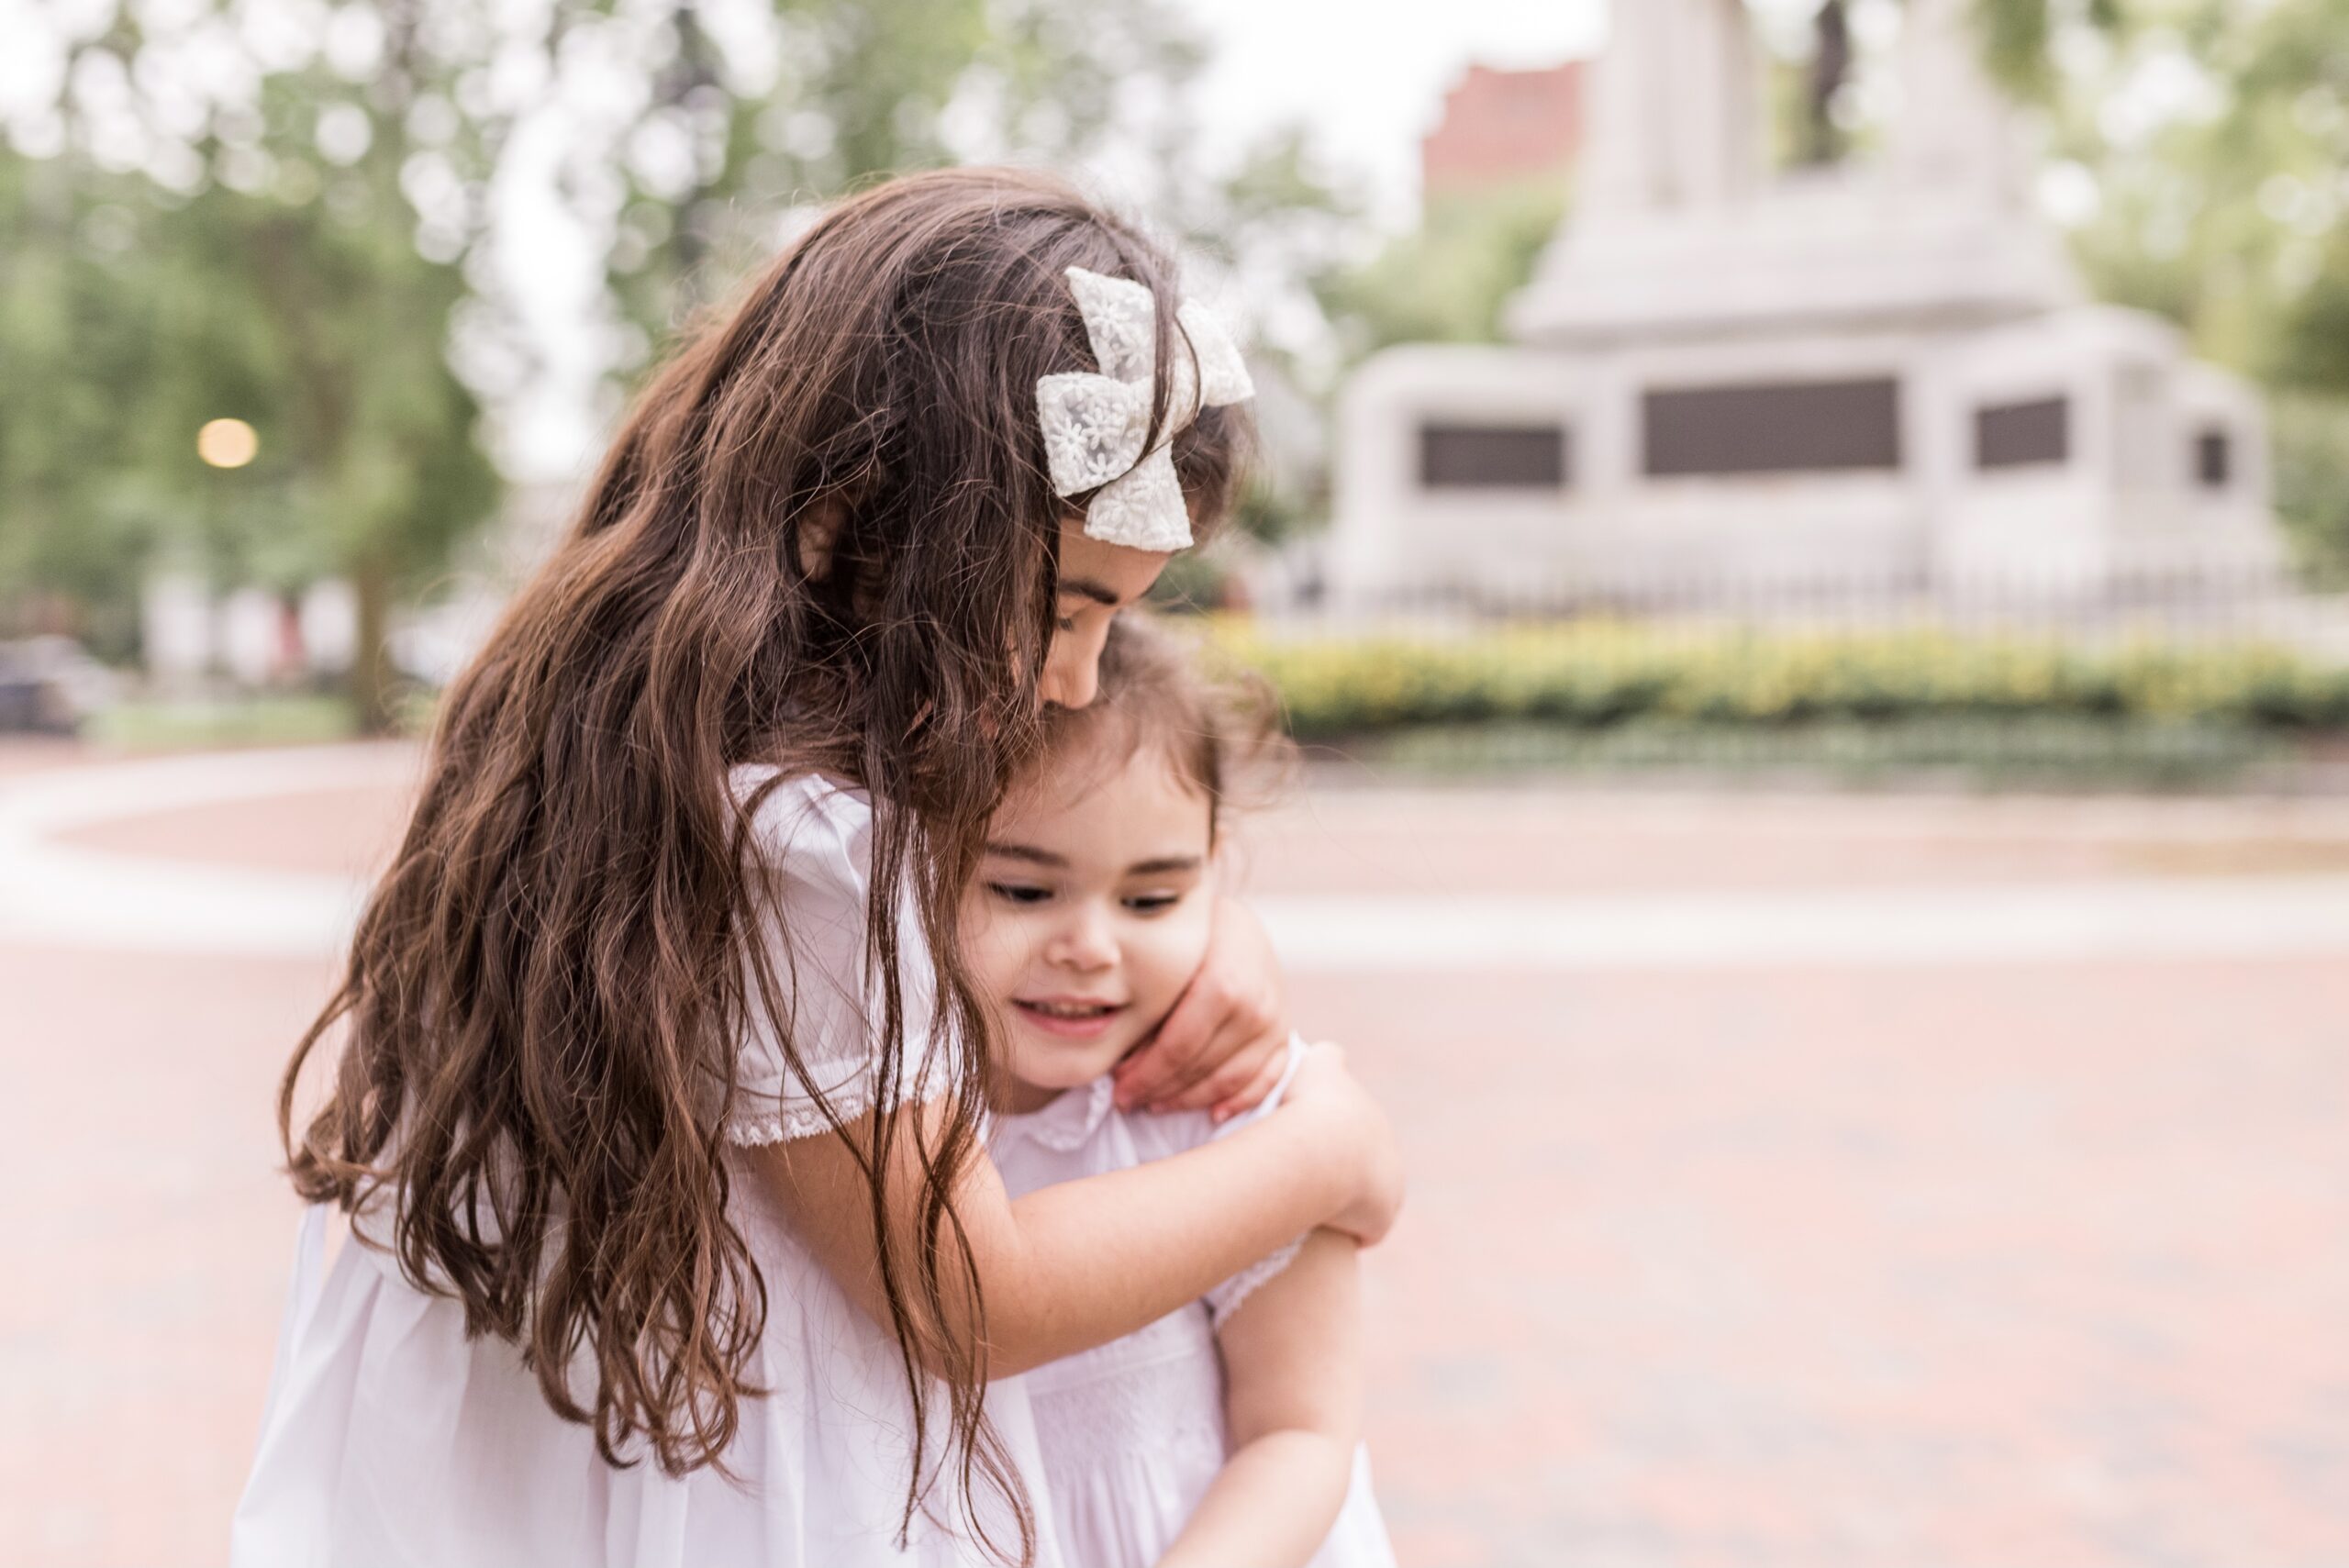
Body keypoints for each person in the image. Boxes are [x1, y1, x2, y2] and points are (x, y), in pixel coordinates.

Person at [230, 167, 1402, 1568]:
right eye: (1065, 607)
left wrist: (1207, 935)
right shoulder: (806, 842)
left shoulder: (634, 746)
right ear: (860, 526)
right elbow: (973, 1299)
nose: (1082, 681)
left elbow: (1041, 879)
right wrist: (1320, 1148)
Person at [973, 615, 1397, 1568]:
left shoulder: (1244, 1111)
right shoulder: (891, 1114)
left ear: (1215, 877)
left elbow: (1301, 1431)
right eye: (1024, 891)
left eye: (1150, 898)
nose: (1090, 944)